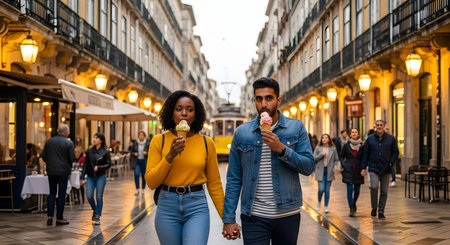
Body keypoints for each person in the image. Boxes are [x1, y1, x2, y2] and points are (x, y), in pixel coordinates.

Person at [222, 77, 315, 244]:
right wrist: (228, 218)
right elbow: (234, 178)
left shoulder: (296, 128)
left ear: (278, 100)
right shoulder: (242, 133)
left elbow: (308, 166)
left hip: (288, 214)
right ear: (254, 101)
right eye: (259, 99)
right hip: (254, 216)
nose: (264, 104)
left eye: (269, 98)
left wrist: (282, 149)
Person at [145, 90, 224, 245]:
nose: (184, 113)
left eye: (189, 109)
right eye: (179, 109)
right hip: (167, 205)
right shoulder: (158, 141)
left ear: (196, 115)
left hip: (196, 206)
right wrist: (170, 155)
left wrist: (227, 219)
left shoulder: (207, 143)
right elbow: (151, 182)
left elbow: (215, 185)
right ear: (171, 112)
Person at [361, 120, 399, 219]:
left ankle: (381, 210)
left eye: (381, 125)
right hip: (373, 167)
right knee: (373, 187)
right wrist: (363, 167)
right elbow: (365, 153)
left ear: (384, 126)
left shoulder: (391, 139)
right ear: (375, 126)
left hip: (386, 168)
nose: (379, 127)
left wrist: (391, 162)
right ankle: (374, 207)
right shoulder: (370, 139)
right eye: (377, 125)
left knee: (384, 191)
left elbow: (395, 152)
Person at [41, 124, 75, 225]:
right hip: (63, 172)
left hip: (51, 171)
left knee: (51, 193)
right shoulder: (69, 143)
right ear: (66, 132)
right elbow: (72, 158)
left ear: (57, 130)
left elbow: (44, 157)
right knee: (61, 194)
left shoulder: (49, 142)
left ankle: (50, 216)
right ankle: (59, 218)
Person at [81, 132, 111, 225]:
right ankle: (95, 209)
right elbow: (86, 163)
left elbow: (109, 164)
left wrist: (99, 167)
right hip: (90, 176)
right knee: (89, 196)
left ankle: (98, 216)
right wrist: (82, 176)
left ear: (101, 140)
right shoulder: (89, 151)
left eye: (97, 138)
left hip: (101, 176)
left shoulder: (106, 151)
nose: (94, 139)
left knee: (99, 196)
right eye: (94, 137)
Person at [313, 134, 340, 213]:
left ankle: (326, 206)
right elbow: (313, 158)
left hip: (329, 171)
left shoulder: (333, 149)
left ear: (329, 139)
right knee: (321, 189)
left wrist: (335, 166)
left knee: (327, 190)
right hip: (320, 171)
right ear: (321, 139)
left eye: (326, 138)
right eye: (323, 138)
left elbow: (336, 159)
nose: (324, 139)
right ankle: (318, 203)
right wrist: (321, 155)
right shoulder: (318, 148)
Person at [340, 128, 364, 217]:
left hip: (358, 170)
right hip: (348, 170)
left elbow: (364, 157)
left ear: (358, 134)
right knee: (350, 190)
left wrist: (363, 168)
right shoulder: (346, 145)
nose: (354, 133)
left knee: (357, 191)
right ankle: (351, 208)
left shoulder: (362, 145)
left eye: (355, 132)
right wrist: (344, 164)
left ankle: (354, 203)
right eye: (352, 132)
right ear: (350, 135)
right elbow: (341, 156)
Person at [131, 131, 150, 195]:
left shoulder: (147, 143)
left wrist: (146, 153)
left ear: (144, 136)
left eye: (142, 135)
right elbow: (131, 152)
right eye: (139, 135)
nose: (140, 136)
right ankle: (137, 189)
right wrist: (134, 153)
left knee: (144, 175)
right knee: (136, 174)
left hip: (144, 161)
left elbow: (151, 152)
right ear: (138, 136)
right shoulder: (135, 143)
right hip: (137, 161)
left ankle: (143, 189)